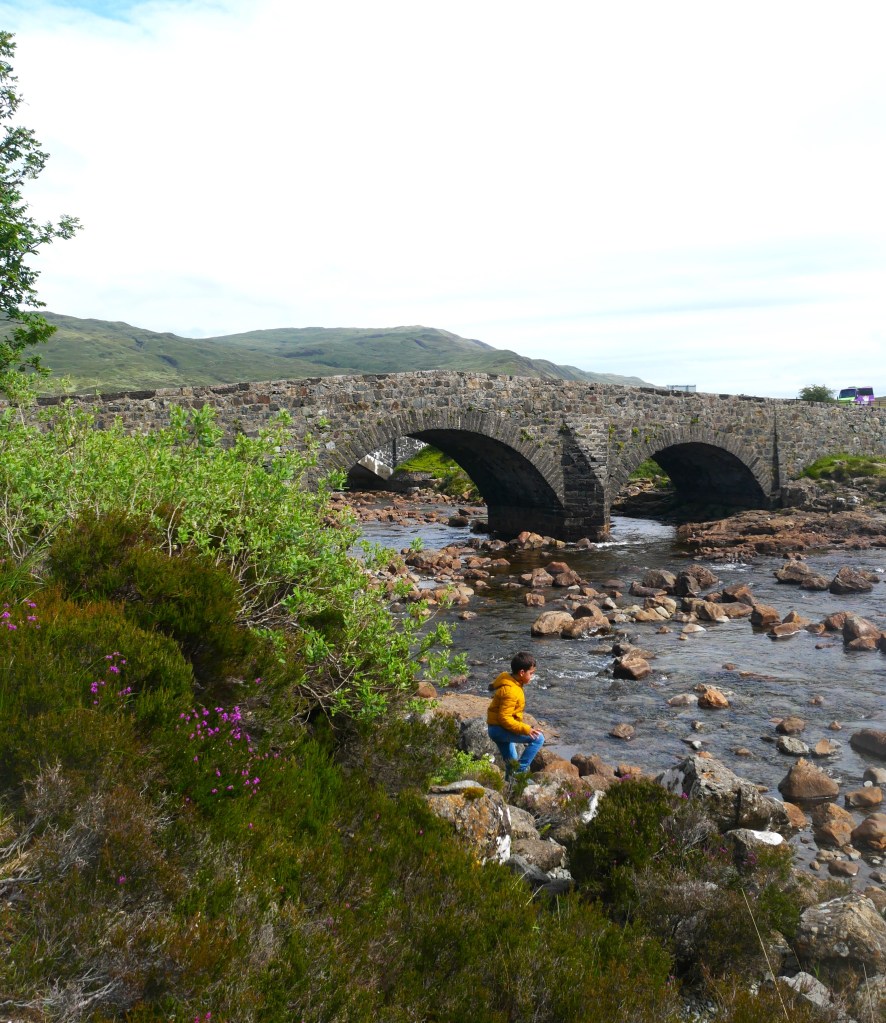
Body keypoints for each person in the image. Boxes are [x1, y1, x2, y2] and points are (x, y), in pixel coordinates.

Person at [486, 651, 545, 777]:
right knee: (538, 738)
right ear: (522, 673)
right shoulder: (511, 690)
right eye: (531, 673)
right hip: (499, 729)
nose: (533, 676)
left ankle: (510, 786)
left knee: (511, 761)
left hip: (496, 728)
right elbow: (504, 718)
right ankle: (519, 773)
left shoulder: (511, 681)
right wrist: (527, 729)